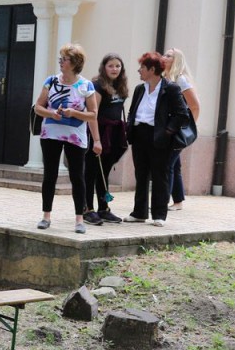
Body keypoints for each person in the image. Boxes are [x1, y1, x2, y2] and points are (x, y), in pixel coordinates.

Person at [33, 43, 99, 234]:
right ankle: (46, 216)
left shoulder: (86, 85)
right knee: (50, 174)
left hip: (75, 136)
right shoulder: (51, 81)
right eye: (60, 59)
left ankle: (79, 219)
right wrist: (52, 113)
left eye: (65, 59)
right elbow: (38, 107)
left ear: (75, 62)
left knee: (77, 176)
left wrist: (74, 113)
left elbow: (93, 114)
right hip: (50, 134)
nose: (61, 62)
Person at [124, 52, 192, 228]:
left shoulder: (171, 88)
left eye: (142, 68)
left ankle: (159, 215)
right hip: (139, 134)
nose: (139, 71)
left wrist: (167, 132)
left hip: (159, 136)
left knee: (160, 175)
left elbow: (182, 114)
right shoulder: (140, 89)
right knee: (141, 174)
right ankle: (139, 213)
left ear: (152, 69)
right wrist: (130, 127)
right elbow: (132, 111)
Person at [84, 54, 129, 225]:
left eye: (118, 66)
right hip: (98, 132)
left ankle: (103, 208)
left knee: (104, 172)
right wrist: (96, 140)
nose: (114, 69)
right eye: (111, 66)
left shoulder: (120, 86)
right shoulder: (97, 85)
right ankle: (87, 209)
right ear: (104, 67)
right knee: (91, 171)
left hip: (114, 133)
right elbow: (92, 115)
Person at [162, 48, 201, 212]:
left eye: (169, 56)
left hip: (177, 130)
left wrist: (188, 128)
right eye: (164, 54)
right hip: (168, 128)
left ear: (176, 60)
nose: (164, 57)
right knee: (174, 164)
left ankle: (162, 202)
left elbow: (195, 106)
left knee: (167, 164)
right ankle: (178, 201)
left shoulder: (180, 79)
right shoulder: (165, 78)